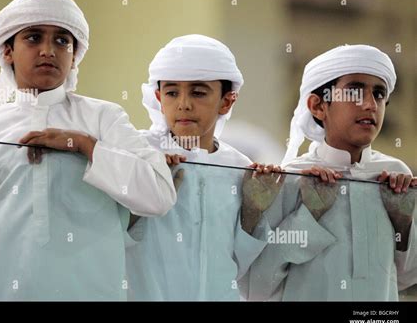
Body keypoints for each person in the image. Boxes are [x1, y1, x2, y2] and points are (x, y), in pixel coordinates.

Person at [0, 0, 176, 301]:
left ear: (74, 54)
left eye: (62, 41)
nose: (48, 50)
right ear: (8, 51)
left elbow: (159, 195)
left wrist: (84, 145)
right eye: (34, 38)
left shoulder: (104, 118)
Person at [244, 44, 416, 301]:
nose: (370, 104)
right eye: (355, 91)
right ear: (318, 106)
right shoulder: (291, 178)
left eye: (379, 94)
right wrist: (309, 217)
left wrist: (402, 220)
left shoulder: (394, 175)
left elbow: (406, 278)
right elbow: (255, 288)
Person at [125, 34, 273, 301]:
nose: (183, 103)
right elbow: (108, 238)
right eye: (172, 92)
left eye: (198, 92)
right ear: (159, 98)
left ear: (227, 101)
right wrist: (145, 192)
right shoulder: (137, 152)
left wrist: (254, 213)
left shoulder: (239, 168)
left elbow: (238, 265)